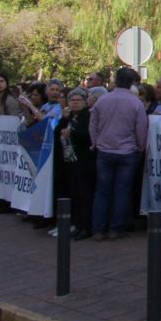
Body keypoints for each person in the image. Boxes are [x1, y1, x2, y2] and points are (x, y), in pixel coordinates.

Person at [88, 67, 147, 241]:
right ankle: (116, 228)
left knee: (102, 191)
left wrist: (95, 142)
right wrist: (140, 147)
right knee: (122, 191)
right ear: (132, 83)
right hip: (127, 151)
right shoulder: (136, 103)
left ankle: (98, 229)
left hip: (104, 150)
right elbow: (141, 128)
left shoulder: (103, 100)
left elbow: (93, 124)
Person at [60, 88, 97, 240]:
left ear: (84, 102)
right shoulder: (69, 117)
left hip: (85, 160)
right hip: (71, 160)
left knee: (85, 195)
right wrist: (64, 119)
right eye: (72, 100)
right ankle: (78, 224)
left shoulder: (88, 116)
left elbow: (89, 135)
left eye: (78, 100)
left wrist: (73, 134)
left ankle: (86, 226)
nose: (74, 103)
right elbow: (60, 131)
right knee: (75, 194)